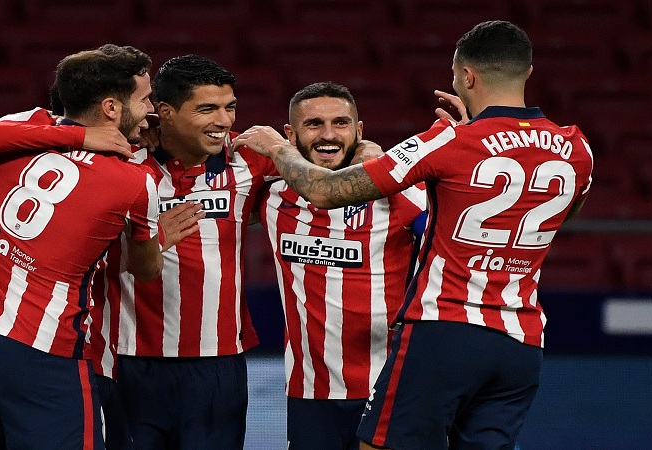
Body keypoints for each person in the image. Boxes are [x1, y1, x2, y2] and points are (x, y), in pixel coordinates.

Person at [234, 20, 594, 450]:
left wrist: (277, 148)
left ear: (466, 76)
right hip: (521, 339)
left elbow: (326, 191)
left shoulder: (446, 147)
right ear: (528, 72)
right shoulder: (578, 147)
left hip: (440, 334)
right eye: (314, 124)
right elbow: (564, 212)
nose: (328, 134)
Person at [0, 44, 163, 450]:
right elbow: (146, 269)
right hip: (46, 352)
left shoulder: (21, 127)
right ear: (111, 108)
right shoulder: (136, 180)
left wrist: (76, 135)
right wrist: (160, 234)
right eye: (145, 99)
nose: (151, 110)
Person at [113, 54, 279, 449]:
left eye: (229, 107)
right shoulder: (120, 162)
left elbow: (337, 166)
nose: (224, 121)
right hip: (129, 359)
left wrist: (286, 149)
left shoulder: (250, 162)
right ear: (165, 113)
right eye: (207, 109)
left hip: (218, 366)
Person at [257, 81, 427, 450]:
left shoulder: (398, 193)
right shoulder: (271, 195)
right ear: (290, 134)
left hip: (389, 388)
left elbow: (448, 245)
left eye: (341, 123)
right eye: (313, 124)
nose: (329, 135)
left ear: (359, 131)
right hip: (310, 393)